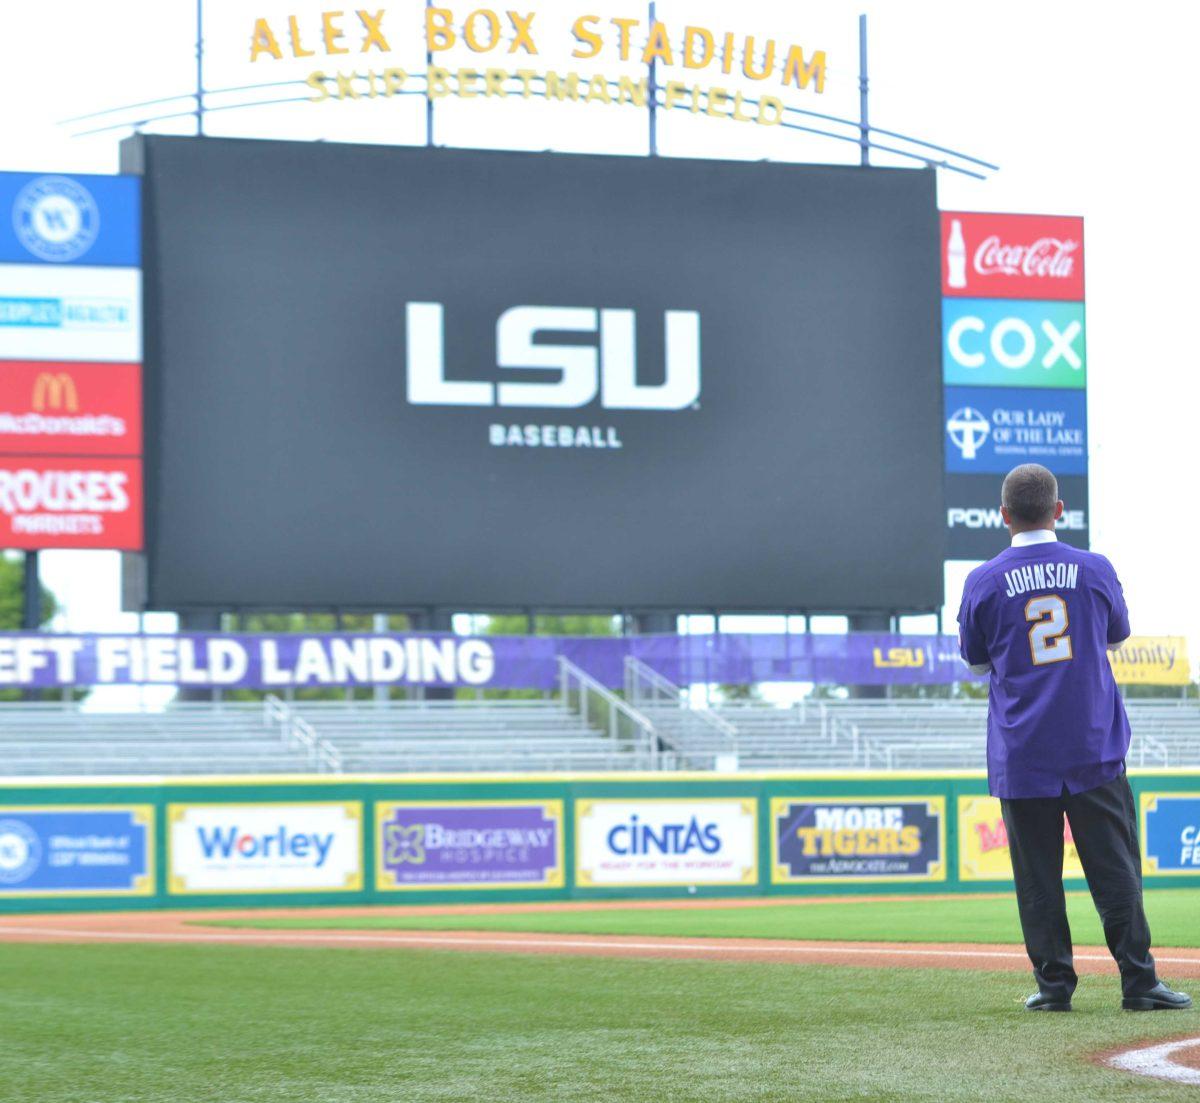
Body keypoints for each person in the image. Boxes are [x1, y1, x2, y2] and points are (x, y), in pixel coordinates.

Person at [957, 464, 1191, 1013]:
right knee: (1116, 871)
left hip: (1023, 751)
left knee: (1038, 879)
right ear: (1059, 510)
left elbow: (974, 663)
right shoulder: (1094, 568)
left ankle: (1054, 987)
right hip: (1093, 747)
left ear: (1004, 516)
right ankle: (1139, 984)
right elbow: (1115, 638)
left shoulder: (983, 580)